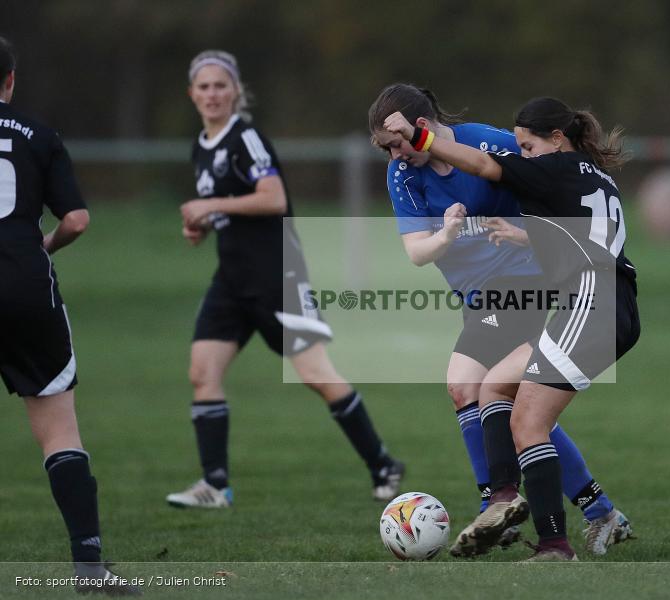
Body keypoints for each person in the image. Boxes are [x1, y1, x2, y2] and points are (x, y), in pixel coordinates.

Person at [369, 84, 633, 557]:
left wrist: (527, 235)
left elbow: (523, 177)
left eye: (398, 144)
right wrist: (447, 236)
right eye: (387, 149)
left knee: (468, 382)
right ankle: (598, 510)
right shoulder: (402, 175)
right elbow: (416, 253)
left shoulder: (493, 142)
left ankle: (500, 501)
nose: (395, 157)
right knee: (516, 399)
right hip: (477, 293)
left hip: (525, 282)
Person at [167, 50, 403, 508]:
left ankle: (382, 463)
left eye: (221, 85)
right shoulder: (201, 146)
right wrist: (202, 224)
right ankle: (215, 485)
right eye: (204, 87)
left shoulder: (246, 137)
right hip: (231, 280)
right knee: (202, 373)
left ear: (235, 91)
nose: (213, 94)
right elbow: (229, 207)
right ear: (192, 94)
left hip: (277, 277)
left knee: (316, 375)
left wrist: (212, 207)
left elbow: (272, 198)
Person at [0, 37, 140, 595]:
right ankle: (89, 568)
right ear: (10, 81)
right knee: (59, 431)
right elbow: (77, 219)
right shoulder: (37, 134)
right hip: (27, 289)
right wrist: (44, 247)